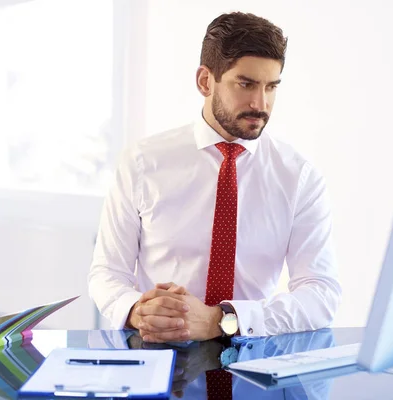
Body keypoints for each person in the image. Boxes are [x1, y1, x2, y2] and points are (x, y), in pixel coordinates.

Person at [88, 11, 341, 344]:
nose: (260, 104)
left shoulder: (298, 177)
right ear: (206, 81)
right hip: (157, 353)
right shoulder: (142, 163)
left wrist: (223, 321)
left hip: (252, 359)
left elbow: (321, 294)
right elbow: (107, 273)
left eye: (271, 87)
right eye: (246, 84)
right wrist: (137, 310)